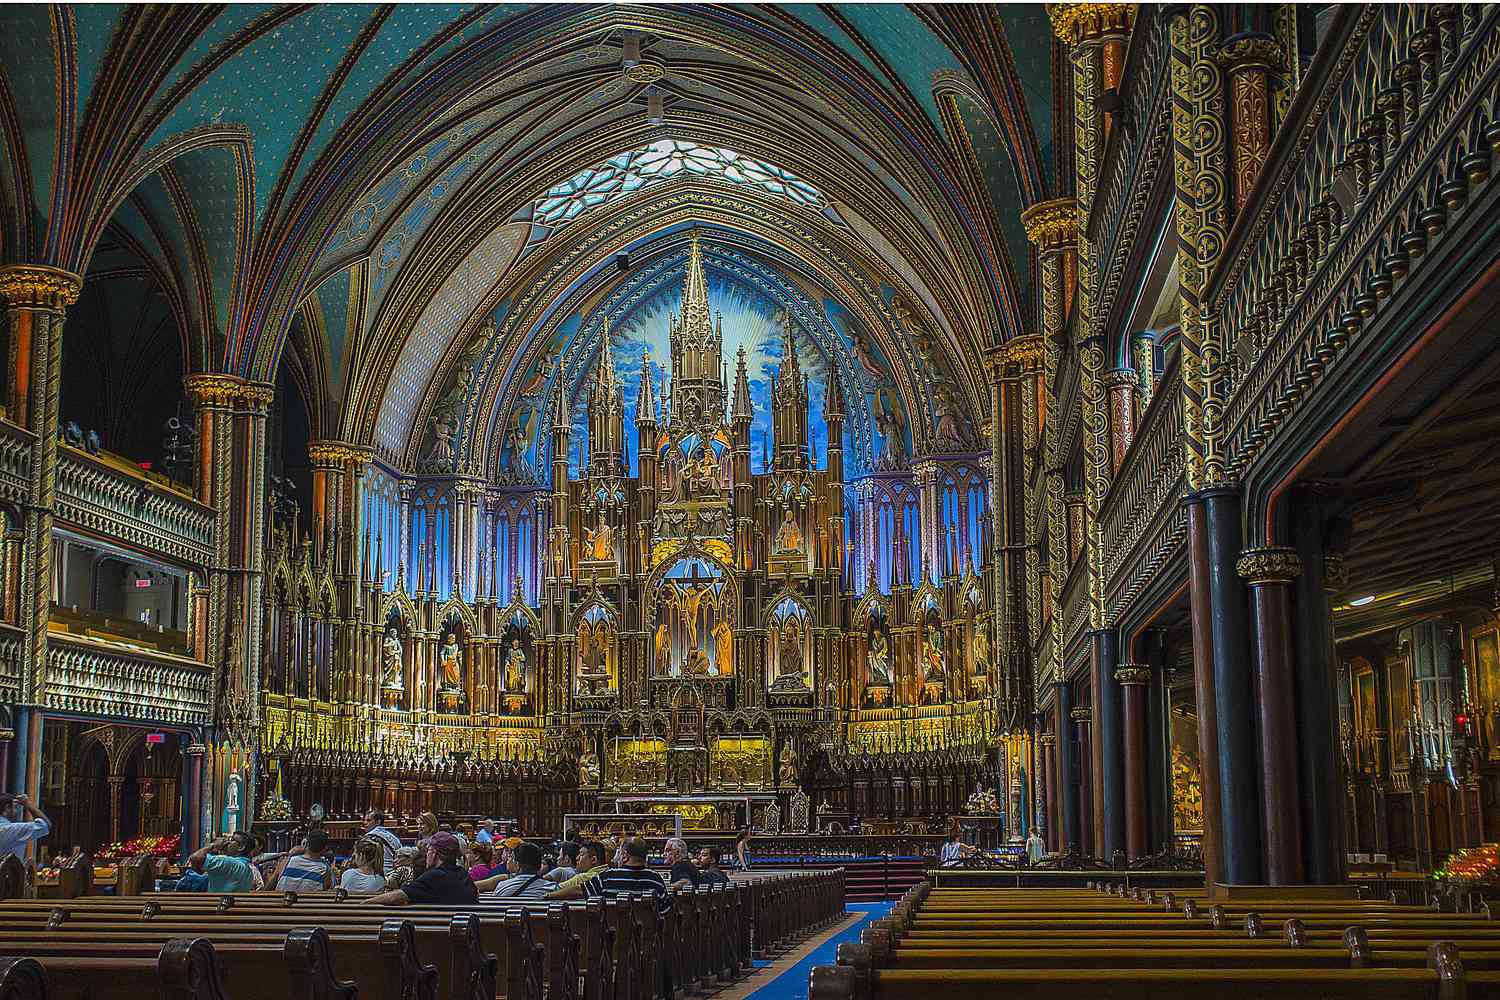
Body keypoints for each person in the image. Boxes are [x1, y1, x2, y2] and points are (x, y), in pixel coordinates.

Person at [367, 832, 477, 906]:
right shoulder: (463, 874)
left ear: (434, 854)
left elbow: (396, 897)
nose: (426, 855)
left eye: (428, 850)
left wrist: (366, 903)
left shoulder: (434, 876)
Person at [584, 837, 670, 913]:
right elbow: (665, 910)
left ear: (625, 856)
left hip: (612, 930)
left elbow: (580, 891)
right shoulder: (655, 879)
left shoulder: (607, 877)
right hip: (648, 930)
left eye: (620, 854)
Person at [188, 830, 258, 892]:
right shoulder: (249, 871)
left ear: (241, 847)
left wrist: (214, 845)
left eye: (232, 840)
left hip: (215, 904)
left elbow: (195, 858)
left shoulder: (226, 862)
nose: (227, 843)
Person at [477, 841, 551, 899]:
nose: (508, 861)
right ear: (539, 866)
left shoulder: (503, 886)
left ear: (518, 865)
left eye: (511, 857)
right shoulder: (551, 888)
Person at [267, 830, 333, 891]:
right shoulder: (325, 869)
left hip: (279, 901)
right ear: (325, 848)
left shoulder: (287, 861)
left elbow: (269, 886)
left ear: (306, 843)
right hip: (309, 902)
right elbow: (325, 890)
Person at [0, 794, 51, 861]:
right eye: (15, 807)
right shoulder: (13, 829)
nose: (16, 811)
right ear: (7, 808)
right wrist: (28, 804)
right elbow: (45, 825)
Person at [363, 810, 403, 876]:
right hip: (394, 873)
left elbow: (364, 860)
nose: (365, 823)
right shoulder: (393, 837)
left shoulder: (369, 837)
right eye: (364, 820)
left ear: (378, 822)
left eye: (369, 820)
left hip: (377, 873)